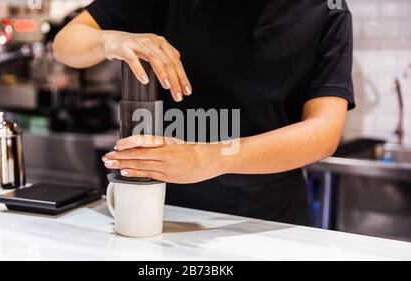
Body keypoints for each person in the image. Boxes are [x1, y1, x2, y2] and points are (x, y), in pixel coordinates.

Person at [53, 0, 354, 226]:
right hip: (162, 214)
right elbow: (66, 43)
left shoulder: (326, 9)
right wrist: (110, 40)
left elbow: (323, 132)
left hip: (268, 222)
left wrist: (210, 157)